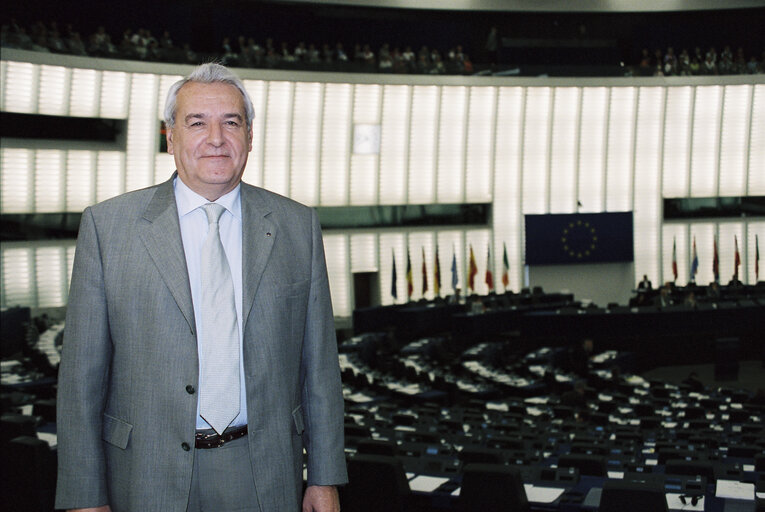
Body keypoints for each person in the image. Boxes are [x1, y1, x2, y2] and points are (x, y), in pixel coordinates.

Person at [55, 63, 347, 512]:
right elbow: (80, 380)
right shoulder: (107, 227)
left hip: (263, 471)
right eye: (197, 122)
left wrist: (324, 477)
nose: (216, 138)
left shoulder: (297, 225)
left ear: (250, 136)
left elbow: (321, 367)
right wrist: (84, 497)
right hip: (143, 474)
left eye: (231, 122)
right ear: (169, 137)